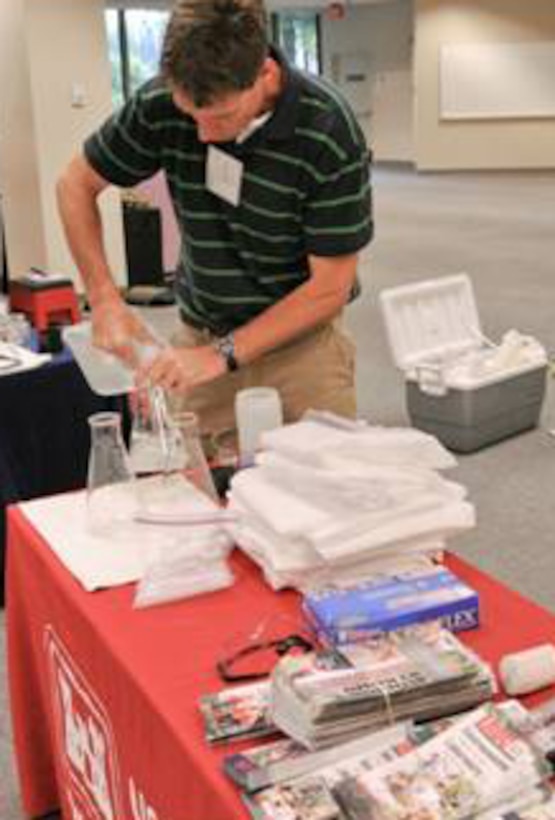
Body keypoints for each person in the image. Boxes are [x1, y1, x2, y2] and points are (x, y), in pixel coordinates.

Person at [57, 0, 373, 450]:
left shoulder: (326, 128)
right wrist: (105, 299)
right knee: (194, 497)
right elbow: (74, 185)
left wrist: (221, 356)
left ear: (264, 75)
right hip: (201, 335)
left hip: (302, 349)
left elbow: (330, 289)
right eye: (191, 115)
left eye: (221, 116)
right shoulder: (159, 104)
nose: (203, 134)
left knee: (326, 494)